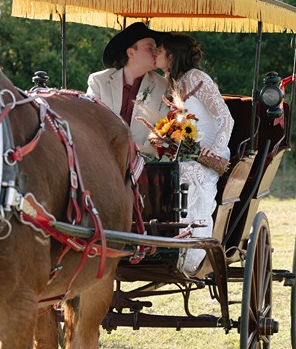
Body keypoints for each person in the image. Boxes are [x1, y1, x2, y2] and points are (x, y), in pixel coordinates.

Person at [154, 33, 234, 275]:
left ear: (171, 55)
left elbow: (225, 117)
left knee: (184, 174)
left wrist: (215, 148)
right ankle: (158, 244)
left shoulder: (198, 77)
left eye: (160, 50)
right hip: (186, 150)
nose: (156, 53)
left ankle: (190, 253)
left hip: (208, 154)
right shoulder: (172, 81)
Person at [87, 22, 169, 154]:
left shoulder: (163, 86)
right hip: (102, 157)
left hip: (143, 162)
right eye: (150, 48)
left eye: (156, 48)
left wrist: (137, 154)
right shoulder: (99, 81)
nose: (157, 52)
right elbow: (90, 122)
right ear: (131, 52)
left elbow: (162, 131)